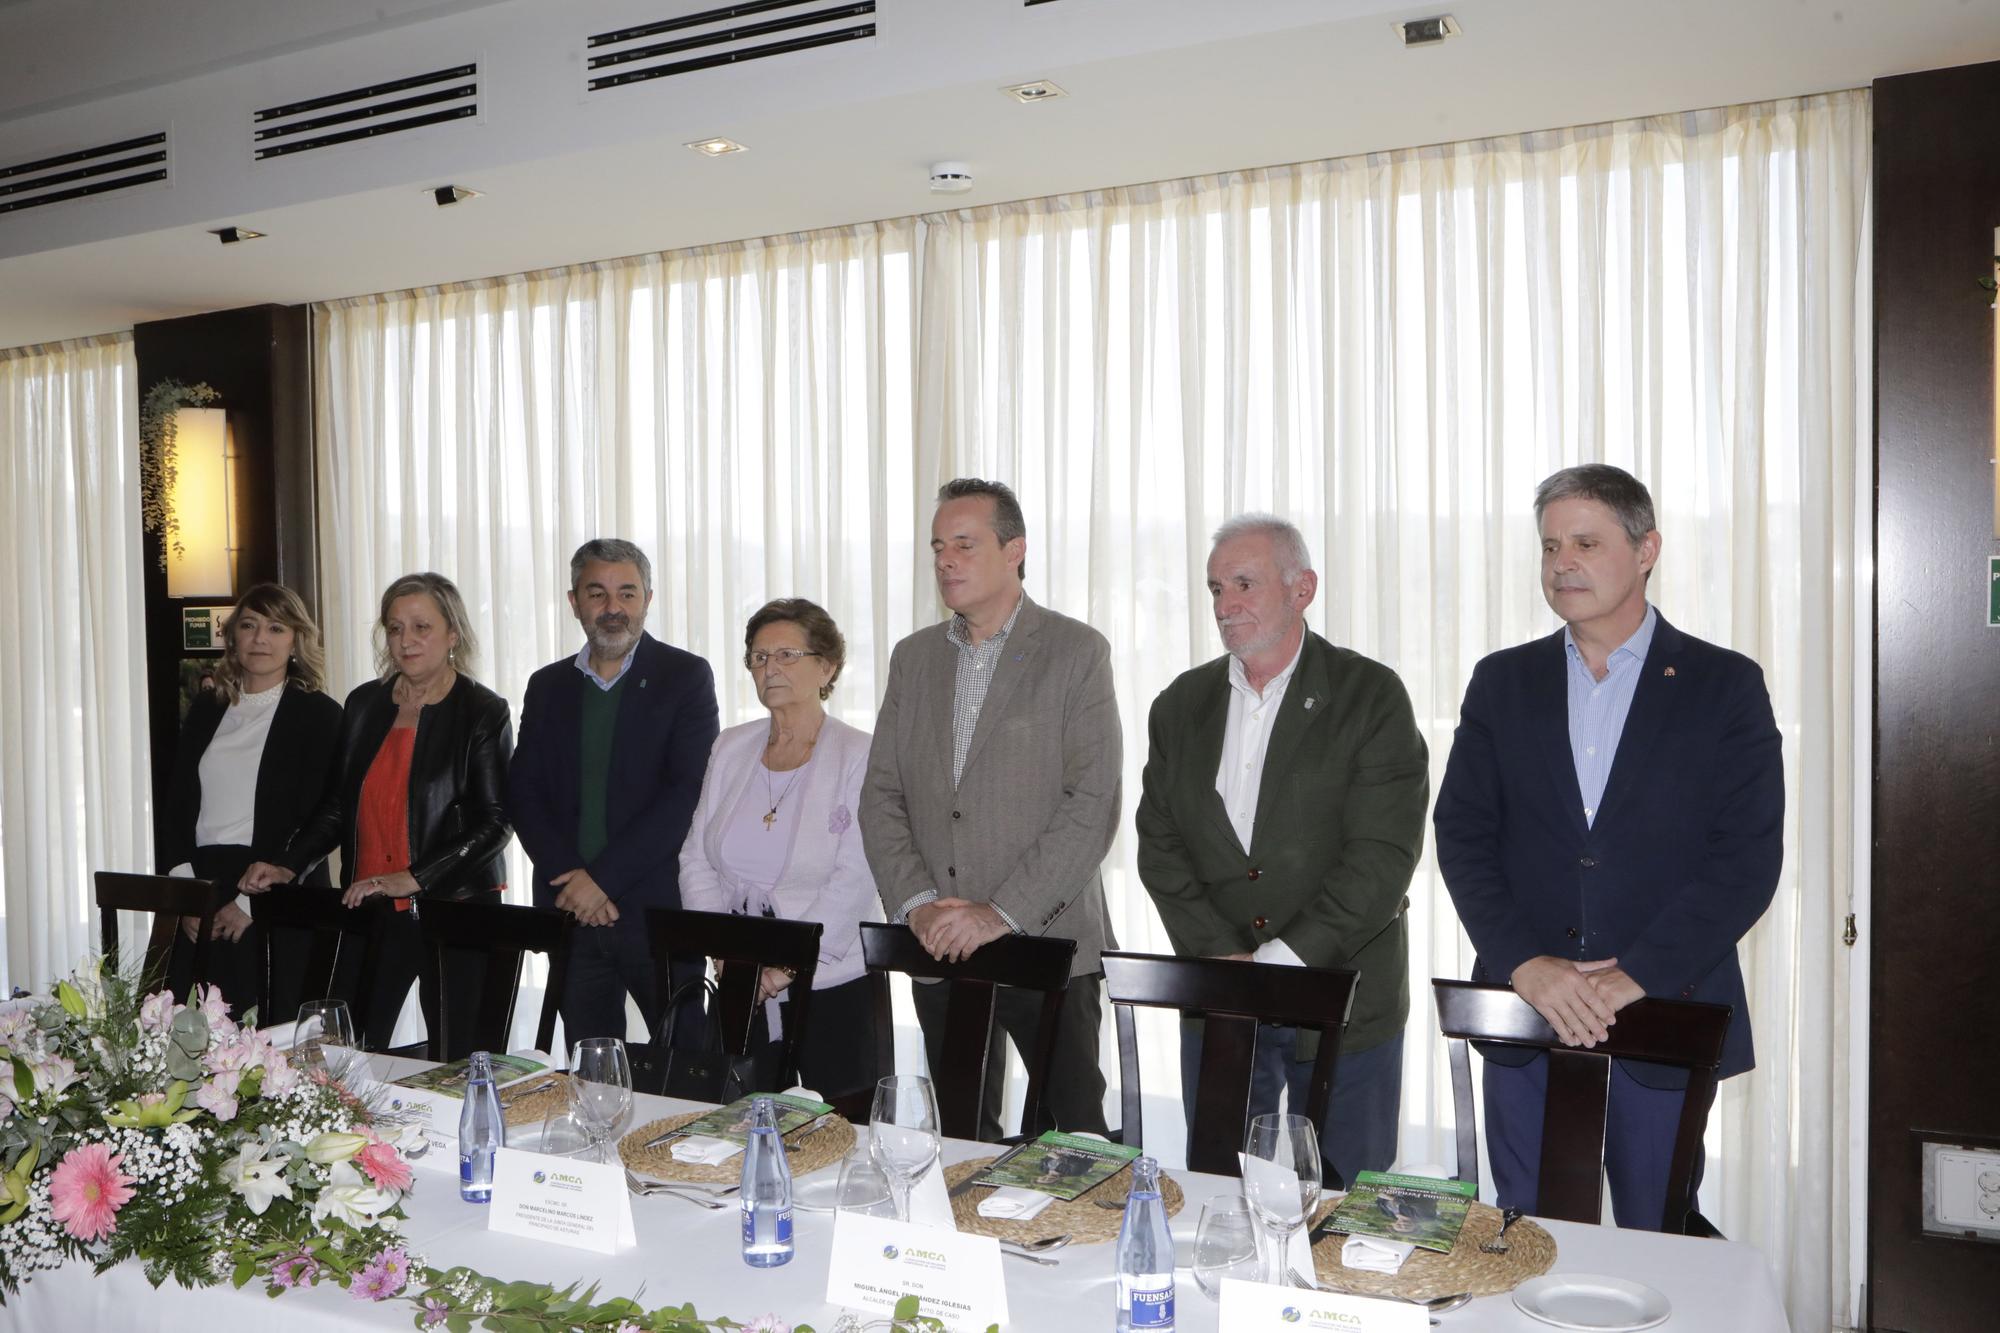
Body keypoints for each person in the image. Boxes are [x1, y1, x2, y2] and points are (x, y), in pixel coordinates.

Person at [1433, 463, 1783, 1231]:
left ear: (1647, 547)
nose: (1563, 563)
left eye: (1586, 542)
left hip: (1665, 1012)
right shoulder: (1503, 681)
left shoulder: (1723, 685)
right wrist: (1525, 961)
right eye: (1552, 545)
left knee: (1658, 1234)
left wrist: (1637, 975)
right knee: (1524, 1235)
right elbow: (1462, 834)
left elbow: (1748, 859)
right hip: (1526, 1013)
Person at [1135, 514, 1428, 1188]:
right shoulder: (1180, 704)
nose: (1225, 604)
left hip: (1346, 1001)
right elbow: (1160, 845)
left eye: (1244, 583)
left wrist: (1279, 962)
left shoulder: (1370, 695)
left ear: (1303, 589)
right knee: (1225, 1199)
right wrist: (1223, 959)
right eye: (1215, 588)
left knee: (1348, 1213)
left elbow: (1382, 856)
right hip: (1222, 1001)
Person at [860, 477, 1121, 1140]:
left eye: (965, 545)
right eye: (938, 547)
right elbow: (881, 794)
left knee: (1073, 1141)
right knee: (959, 1141)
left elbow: (1092, 802)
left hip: (1048, 941)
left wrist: (998, 913)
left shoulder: (1076, 651)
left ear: (1015, 551)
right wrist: (918, 902)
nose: (946, 560)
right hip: (939, 941)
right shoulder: (913, 658)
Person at [241, 572, 514, 1055]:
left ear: (453, 633)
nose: (406, 641)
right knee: (344, 1053)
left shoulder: (482, 710)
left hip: (457, 909)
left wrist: (415, 877)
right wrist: (289, 862)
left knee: (460, 1059)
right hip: (367, 903)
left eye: (421, 627)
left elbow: (496, 822)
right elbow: (336, 806)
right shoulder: (364, 703)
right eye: (394, 628)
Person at [508, 539, 719, 1051]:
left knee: (690, 1071)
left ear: (648, 598)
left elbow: (687, 793)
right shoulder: (547, 684)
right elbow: (523, 790)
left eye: (627, 593)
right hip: (570, 913)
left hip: (658, 913)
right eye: (597, 594)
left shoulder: (685, 676)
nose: (613, 608)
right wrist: (575, 883)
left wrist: (601, 880)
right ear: (573, 601)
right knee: (591, 1074)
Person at [678, 598, 883, 1101]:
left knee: (837, 1143)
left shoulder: (860, 753)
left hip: (833, 984)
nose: (770, 668)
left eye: (786, 655)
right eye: (759, 657)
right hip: (737, 978)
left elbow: (858, 876)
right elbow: (695, 858)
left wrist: (782, 971)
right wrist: (724, 952)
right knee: (733, 1131)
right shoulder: (730, 746)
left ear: (827, 666)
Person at [160, 583, 342, 1020]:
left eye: (276, 628)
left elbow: (323, 816)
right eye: (249, 625)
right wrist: (188, 895)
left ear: (296, 640)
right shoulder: (207, 706)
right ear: (233, 638)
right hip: (202, 886)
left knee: (270, 1042)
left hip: (277, 890)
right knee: (189, 1035)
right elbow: (177, 803)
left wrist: (250, 904)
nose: (261, 638)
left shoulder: (320, 714)